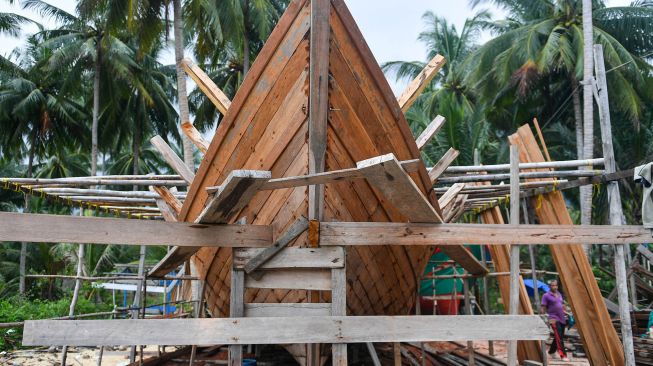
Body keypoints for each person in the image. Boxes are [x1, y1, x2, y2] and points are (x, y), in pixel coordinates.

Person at [541, 279, 570, 361]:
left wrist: (566, 312)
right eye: (553, 285)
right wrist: (543, 317)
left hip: (562, 318)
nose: (555, 287)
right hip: (553, 318)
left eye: (556, 285)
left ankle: (551, 351)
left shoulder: (559, 294)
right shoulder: (546, 295)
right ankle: (563, 355)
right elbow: (543, 307)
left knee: (559, 336)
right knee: (559, 337)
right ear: (549, 286)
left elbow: (561, 305)